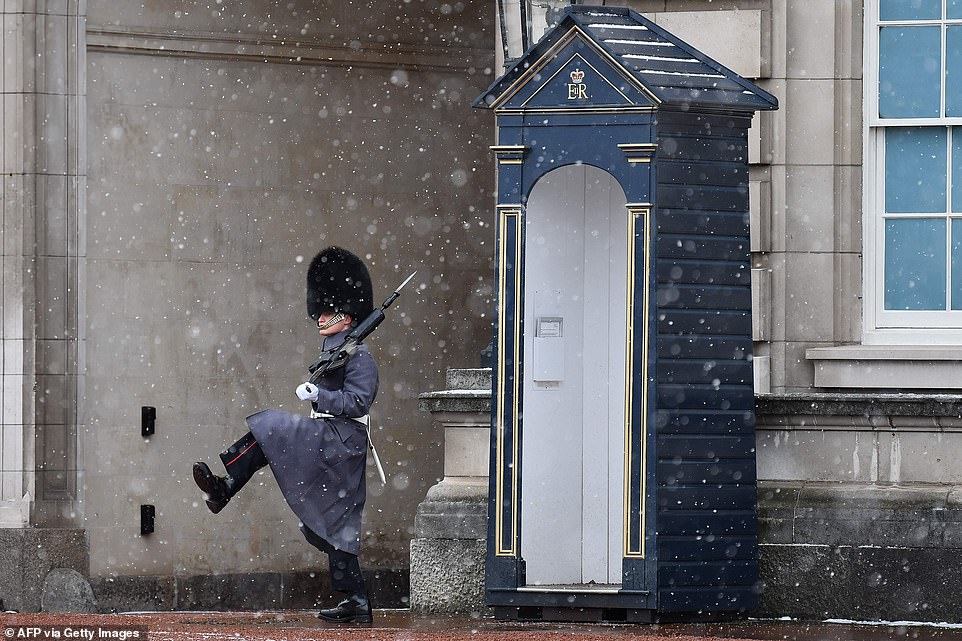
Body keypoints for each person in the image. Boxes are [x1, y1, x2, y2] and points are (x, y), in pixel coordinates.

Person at [191, 246, 378, 625]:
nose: (321, 317)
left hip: (342, 440)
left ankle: (227, 485)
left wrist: (320, 394)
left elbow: (358, 402)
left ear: (346, 313)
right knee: (322, 526)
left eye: (327, 311)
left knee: (273, 428)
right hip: (329, 436)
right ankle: (355, 600)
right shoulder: (340, 349)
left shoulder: (360, 356)